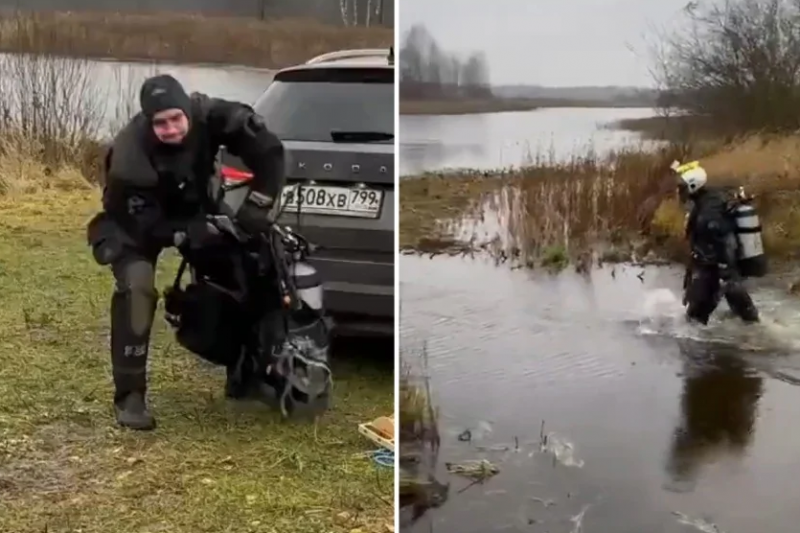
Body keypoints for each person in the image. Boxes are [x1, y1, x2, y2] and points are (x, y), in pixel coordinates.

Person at [86, 74, 285, 431]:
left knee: (250, 264)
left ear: (187, 112)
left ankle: (248, 373)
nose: (171, 129)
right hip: (136, 222)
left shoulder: (211, 115)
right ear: (148, 122)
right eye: (160, 123)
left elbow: (269, 150)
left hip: (195, 207)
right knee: (137, 287)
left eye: (176, 118)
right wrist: (185, 234)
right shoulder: (130, 156)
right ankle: (130, 396)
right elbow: (141, 224)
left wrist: (258, 206)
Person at [673, 160, 759, 325]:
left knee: (695, 319)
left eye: (682, 188)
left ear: (693, 186)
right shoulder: (708, 200)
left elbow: (720, 239)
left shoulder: (708, 214)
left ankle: (761, 334)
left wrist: (723, 270)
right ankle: (758, 331)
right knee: (745, 313)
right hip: (718, 269)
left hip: (715, 270)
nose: (679, 191)